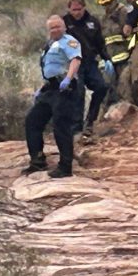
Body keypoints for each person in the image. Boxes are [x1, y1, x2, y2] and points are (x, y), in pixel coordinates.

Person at [23, 15, 81, 178]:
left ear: (64, 27)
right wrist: (42, 88)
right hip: (50, 89)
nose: (55, 30)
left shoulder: (69, 41)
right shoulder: (49, 44)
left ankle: (65, 167)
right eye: (52, 28)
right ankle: (37, 160)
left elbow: (75, 60)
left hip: (64, 88)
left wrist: (69, 78)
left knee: (61, 127)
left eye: (58, 26)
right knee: (32, 121)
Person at [63, 0, 112, 136]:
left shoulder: (93, 22)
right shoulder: (64, 22)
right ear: (69, 9)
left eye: (79, 9)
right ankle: (76, 128)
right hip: (73, 64)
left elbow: (100, 43)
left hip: (90, 62)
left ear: (84, 8)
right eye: (74, 10)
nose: (77, 12)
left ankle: (90, 121)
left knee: (101, 87)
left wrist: (106, 59)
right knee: (78, 92)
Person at [97, 0, 130, 108]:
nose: (107, 6)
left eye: (109, 2)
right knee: (107, 92)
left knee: (125, 89)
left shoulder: (123, 13)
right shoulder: (104, 19)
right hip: (110, 61)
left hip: (125, 59)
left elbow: (130, 34)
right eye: (104, 4)